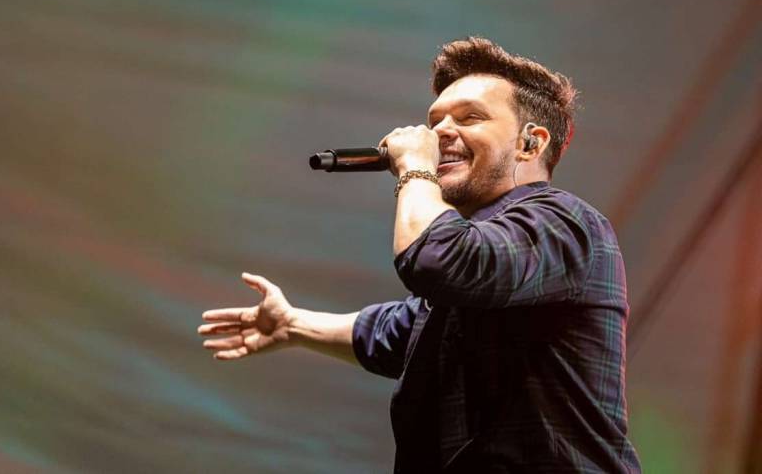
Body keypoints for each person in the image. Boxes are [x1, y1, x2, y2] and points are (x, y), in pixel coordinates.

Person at [198, 37, 642, 473]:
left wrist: (415, 169)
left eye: (469, 117)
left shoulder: (564, 222)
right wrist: (293, 324)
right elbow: (395, 332)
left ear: (530, 143)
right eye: (435, 121)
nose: (440, 132)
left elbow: (438, 262)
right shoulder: (486, 258)